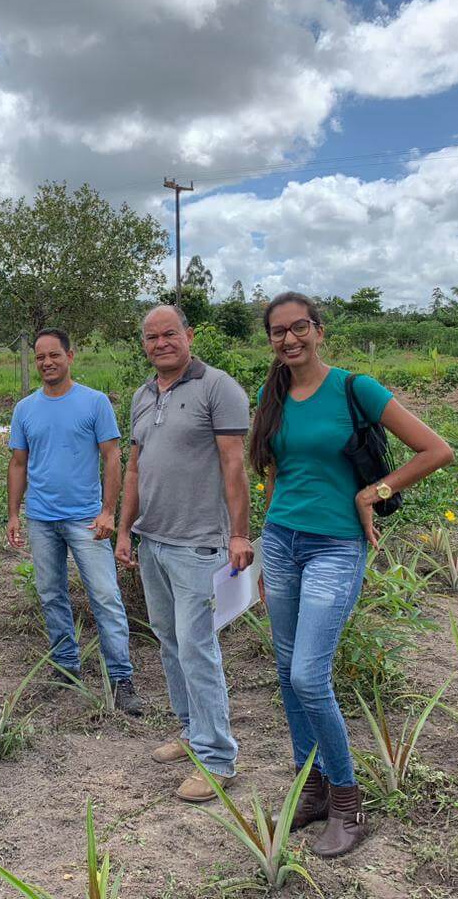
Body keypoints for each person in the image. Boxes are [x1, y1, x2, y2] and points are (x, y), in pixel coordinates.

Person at [249, 292, 452, 857]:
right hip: (283, 542)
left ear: (318, 330)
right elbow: (275, 471)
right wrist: (266, 544)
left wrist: (376, 490)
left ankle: (348, 800)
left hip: (335, 547)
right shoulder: (274, 393)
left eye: (299, 328)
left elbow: (436, 449)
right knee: (288, 672)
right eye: (278, 332)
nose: (289, 339)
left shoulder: (353, 387)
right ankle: (310, 788)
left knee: (311, 676)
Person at [115, 305, 252, 803]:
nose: (160, 343)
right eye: (150, 337)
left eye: (169, 333)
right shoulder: (143, 394)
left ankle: (218, 759)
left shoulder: (219, 388)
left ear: (188, 335)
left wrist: (239, 535)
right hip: (153, 540)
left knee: (197, 648)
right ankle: (192, 731)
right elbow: (135, 469)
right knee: (169, 641)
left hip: (199, 544)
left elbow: (234, 465)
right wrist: (126, 532)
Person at [6, 328, 142, 716]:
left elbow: (112, 457)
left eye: (54, 355)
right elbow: (18, 463)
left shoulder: (94, 403)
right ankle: (66, 666)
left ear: (71, 355)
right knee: (51, 593)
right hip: (41, 518)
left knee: (105, 596)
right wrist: (14, 513)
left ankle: (121, 677)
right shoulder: (25, 409)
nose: (47, 363)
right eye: (40, 357)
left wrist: (108, 511)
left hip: (86, 519)